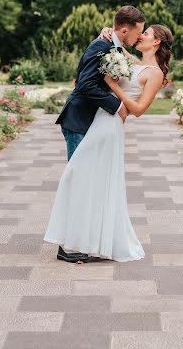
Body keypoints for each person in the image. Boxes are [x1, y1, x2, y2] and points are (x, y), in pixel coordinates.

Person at [44, 19, 173, 263]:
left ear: (155, 41)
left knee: (86, 178)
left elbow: (138, 110)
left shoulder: (155, 73)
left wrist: (115, 87)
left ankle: (79, 242)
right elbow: (115, 40)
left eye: (146, 33)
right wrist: (106, 30)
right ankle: (77, 240)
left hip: (110, 126)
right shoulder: (132, 61)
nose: (140, 36)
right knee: (81, 178)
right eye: (140, 31)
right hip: (98, 121)